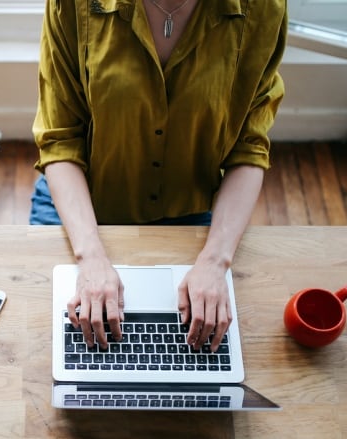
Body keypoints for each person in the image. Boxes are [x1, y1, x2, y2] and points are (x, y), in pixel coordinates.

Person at [30, 0, 287, 353]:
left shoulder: (264, 8)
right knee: (46, 347)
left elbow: (249, 146)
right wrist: (90, 258)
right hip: (80, 205)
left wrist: (215, 262)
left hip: (190, 212)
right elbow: (60, 139)